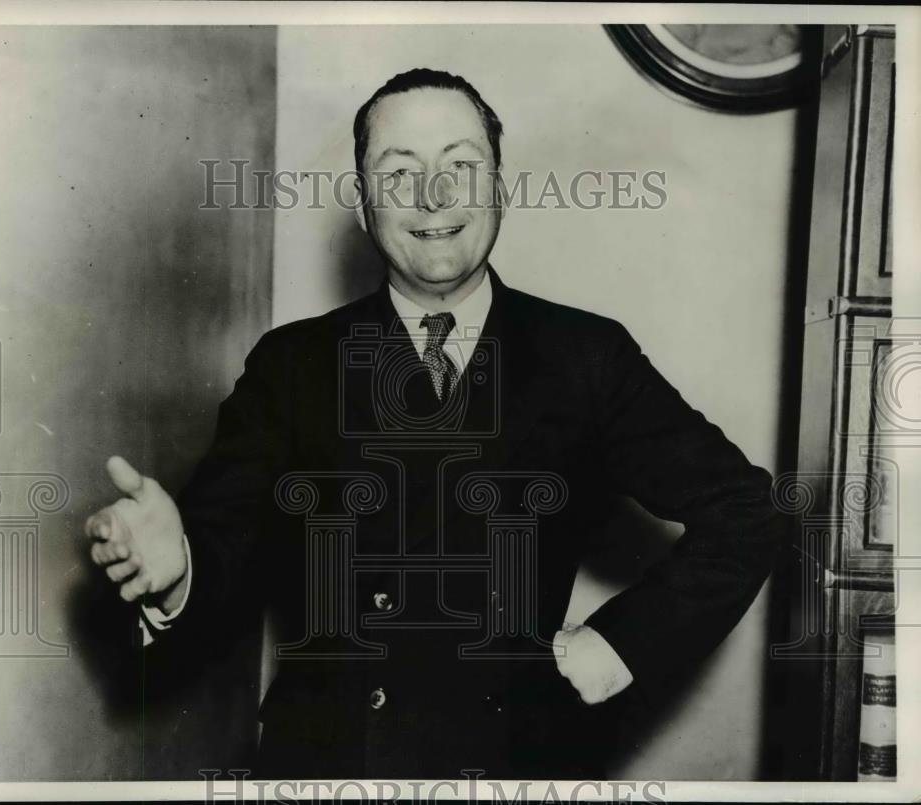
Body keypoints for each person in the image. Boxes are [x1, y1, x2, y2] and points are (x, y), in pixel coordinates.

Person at [84, 68, 786, 779]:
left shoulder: (585, 356)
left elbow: (747, 510)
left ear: (500, 188)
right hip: (331, 768)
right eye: (400, 171)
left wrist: (624, 642)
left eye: (462, 165)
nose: (434, 194)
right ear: (363, 205)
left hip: (516, 765)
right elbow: (222, 541)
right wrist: (179, 577)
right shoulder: (291, 364)